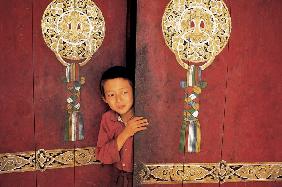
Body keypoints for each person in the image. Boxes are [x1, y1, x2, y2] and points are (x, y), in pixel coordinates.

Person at [96, 66, 149, 187]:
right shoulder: (107, 119)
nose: (119, 100)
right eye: (111, 95)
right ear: (104, 99)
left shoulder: (146, 117)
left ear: (135, 91)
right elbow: (102, 156)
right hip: (120, 181)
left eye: (124, 92)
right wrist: (126, 133)